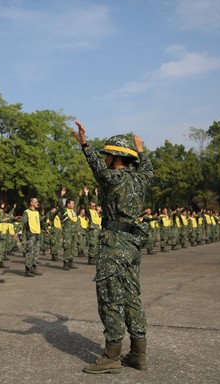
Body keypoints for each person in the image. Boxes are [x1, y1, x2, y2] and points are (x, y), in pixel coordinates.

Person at [72, 121, 152, 374]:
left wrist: (85, 144)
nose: (104, 158)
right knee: (131, 298)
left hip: (114, 244)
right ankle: (138, 355)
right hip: (132, 244)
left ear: (116, 157)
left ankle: (112, 357)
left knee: (110, 298)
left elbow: (97, 168)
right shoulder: (141, 179)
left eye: (108, 154)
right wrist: (140, 151)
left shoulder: (112, 178)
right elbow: (147, 169)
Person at [21, 197, 46, 277]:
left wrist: (45, 229)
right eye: (36, 202)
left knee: (36, 252)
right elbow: (23, 222)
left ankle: (33, 268)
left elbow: (41, 221)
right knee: (30, 252)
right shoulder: (26, 212)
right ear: (31, 203)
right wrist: (17, 231)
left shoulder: (37, 212)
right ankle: (27, 270)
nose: (37, 203)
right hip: (30, 234)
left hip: (37, 234)